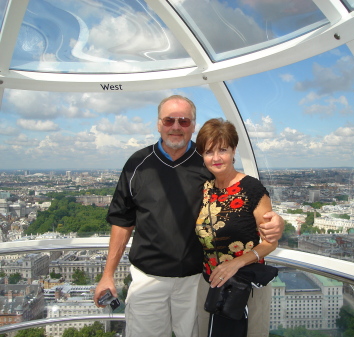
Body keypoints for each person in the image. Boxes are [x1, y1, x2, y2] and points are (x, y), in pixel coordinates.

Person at [93, 95, 284, 337]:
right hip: (148, 278)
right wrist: (107, 275)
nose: (175, 127)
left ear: (193, 126)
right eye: (169, 120)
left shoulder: (207, 164)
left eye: (183, 121)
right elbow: (122, 221)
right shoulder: (138, 164)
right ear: (158, 123)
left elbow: (244, 201)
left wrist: (278, 221)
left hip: (196, 281)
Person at [195, 118, 278, 337]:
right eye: (209, 152)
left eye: (223, 150)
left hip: (245, 286)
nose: (216, 158)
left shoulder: (251, 188)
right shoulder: (204, 190)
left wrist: (236, 263)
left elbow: (271, 242)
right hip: (210, 283)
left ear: (233, 151)